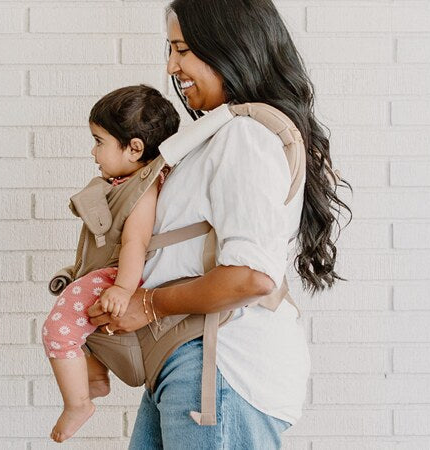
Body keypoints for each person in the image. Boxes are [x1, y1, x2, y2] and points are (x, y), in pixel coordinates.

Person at [87, 1, 351, 448]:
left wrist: (146, 305)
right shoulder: (221, 135)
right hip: (190, 358)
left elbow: (251, 276)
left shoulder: (243, 136)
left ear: (228, 47)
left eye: (183, 49)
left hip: (218, 363)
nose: (172, 66)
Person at [42, 85, 180, 442]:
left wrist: (122, 287)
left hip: (118, 275)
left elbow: (137, 242)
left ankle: (78, 403)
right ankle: (96, 377)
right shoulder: (127, 181)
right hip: (112, 274)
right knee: (77, 325)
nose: (93, 151)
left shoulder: (144, 189)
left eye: (99, 141)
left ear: (134, 148)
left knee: (57, 329)